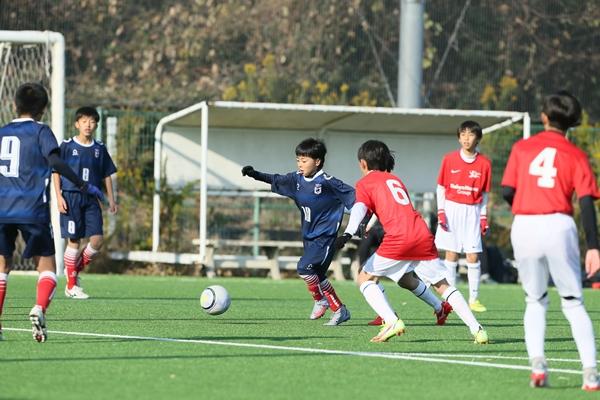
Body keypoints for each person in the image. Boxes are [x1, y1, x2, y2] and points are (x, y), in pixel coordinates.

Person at [335, 140, 488, 343]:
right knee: (436, 284)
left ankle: (391, 321)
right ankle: (477, 329)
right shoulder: (394, 180)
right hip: (421, 234)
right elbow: (389, 207)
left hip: (399, 238)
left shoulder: (365, 183)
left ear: (363, 163)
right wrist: (370, 224)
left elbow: (359, 209)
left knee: (364, 278)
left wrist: (347, 234)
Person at [501, 90, 600, 390]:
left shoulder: (522, 147)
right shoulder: (576, 154)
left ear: (543, 117)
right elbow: (586, 202)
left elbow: (507, 191)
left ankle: (538, 365)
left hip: (525, 224)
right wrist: (594, 246)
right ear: (573, 122)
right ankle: (590, 372)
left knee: (535, 299)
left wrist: (526, 206)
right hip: (558, 225)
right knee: (572, 302)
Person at [0, 83, 103, 342]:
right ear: (43, 110)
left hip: (1, 209)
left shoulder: (2, 133)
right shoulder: (41, 132)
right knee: (47, 267)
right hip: (32, 209)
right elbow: (55, 161)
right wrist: (81, 184)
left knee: (2, 268)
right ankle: (39, 308)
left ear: (14, 105)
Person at [241, 138, 353, 325]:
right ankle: (340, 310)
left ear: (317, 161)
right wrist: (255, 174)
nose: (300, 164)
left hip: (325, 238)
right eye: (298, 160)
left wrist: (359, 226)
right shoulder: (296, 179)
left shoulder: (329, 183)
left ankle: (320, 301)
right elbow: (276, 179)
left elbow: (357, 200)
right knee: (318, 275)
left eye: (304, 160)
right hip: (308, 237)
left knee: (304, 268)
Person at [52, 106, 117, 299]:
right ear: (77, 124)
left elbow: (107, 174)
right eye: (84, 121)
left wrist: (112, 199)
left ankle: (73, 271)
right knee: (74, 240)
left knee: (97, 240)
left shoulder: (100, 148)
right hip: (71, 196)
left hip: (91, 199)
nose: (88, 125)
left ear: (96, 125)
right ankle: (71, 286)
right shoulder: (67, 146)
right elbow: (56, 171)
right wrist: (59, 196)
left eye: (92, 121)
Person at [434, 120, 492, 312]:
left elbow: (484, 194)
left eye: (471, 134)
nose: (467, 138)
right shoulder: (449, 159)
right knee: (451, 253)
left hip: (472, 212)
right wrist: (441, 211)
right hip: (451, 209)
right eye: (463, 134)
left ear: (478, 138)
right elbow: (441, 188)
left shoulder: (484, 164)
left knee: (472, 256)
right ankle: (451, 299)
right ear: (459, 138)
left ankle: (473, 299)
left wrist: (483, 217)